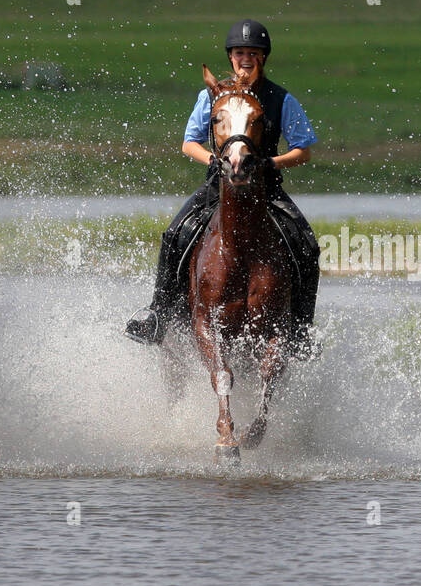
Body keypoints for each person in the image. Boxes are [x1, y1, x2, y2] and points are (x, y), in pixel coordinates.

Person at [125, 19, 321, 357]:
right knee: (174, 236)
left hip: (266, 189)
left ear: (264, 58)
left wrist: (270, 163)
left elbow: (303, 150)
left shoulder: (281, 99)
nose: (246, 58)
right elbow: (190, 143)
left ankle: (302, 329)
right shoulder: (211, 95)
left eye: (253, 53)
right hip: (220, 189)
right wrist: (212, 162)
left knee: (307, 244)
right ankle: (157, 313)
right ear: (230, 57)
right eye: (240, 52)